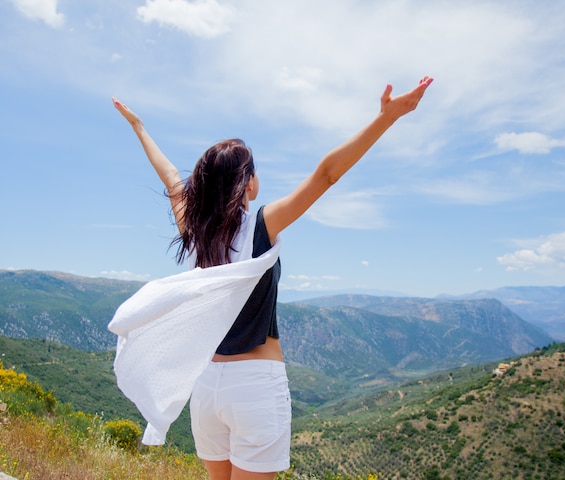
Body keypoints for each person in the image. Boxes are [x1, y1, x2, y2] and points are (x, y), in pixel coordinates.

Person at [112, 75, 433, 480]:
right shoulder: (260, 226)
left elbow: (171, 180)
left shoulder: (195, 235)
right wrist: (385, 119)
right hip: (254, 387)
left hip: (206, 385)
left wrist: (139, 128)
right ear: (247, 184)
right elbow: (326, 175)